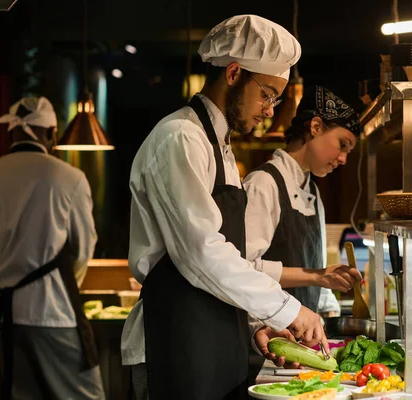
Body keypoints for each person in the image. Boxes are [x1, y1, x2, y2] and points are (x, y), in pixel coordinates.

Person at [122, 14, 330, 400]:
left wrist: (255, 325)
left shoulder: (221, 149)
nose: (270, 110)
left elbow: (231, 257)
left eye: (276, 99)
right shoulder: (180, 138)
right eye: (267, 93)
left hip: (213, 339)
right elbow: (201, 252)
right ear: (233, 73)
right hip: (172, 341)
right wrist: (287, 309)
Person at [0, 97, 105, 400]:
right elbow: (82, 250)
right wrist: (51, 284)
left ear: (11, 133)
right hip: (53, 312)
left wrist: (5, 282)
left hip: (1, 317)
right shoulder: (70, 179)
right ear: (50, 133)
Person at [243, 86, 362, 322]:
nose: (343, 159)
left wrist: (329, 312)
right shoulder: (264, 184)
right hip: (264, 334)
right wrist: (315, 276)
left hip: (303, 332)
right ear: (315, 127)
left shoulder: (313, 191)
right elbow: (243, 269)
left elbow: (317, 263)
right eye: (342, 144)